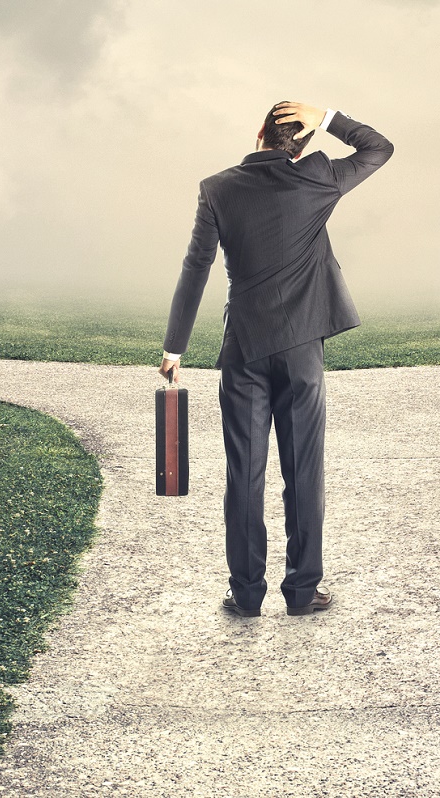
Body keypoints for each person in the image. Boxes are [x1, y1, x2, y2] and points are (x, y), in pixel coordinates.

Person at [159, 101, 394, 617]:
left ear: (259, 132)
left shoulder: (217, 187)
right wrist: (328, 114)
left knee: (244, 473)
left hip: (243, 349)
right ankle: (303, 591)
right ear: (304, 142)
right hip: (302, 350)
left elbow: (195, 267)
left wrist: (175, 347)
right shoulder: (319, 178)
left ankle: (245, 594)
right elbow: (379, 147)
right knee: (303, 470)